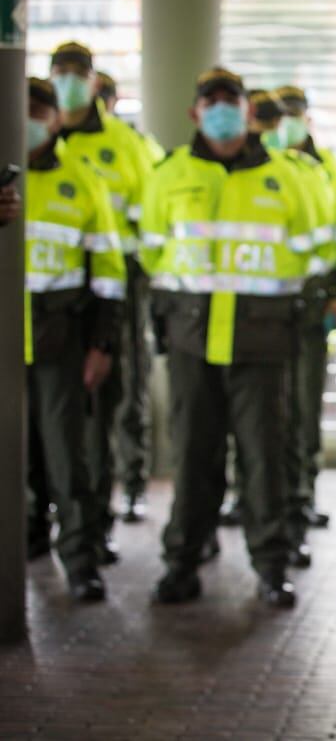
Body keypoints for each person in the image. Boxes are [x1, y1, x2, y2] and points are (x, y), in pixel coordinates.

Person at [141, 67, 320, 608]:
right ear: (195, 112)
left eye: (231, 100)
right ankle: (182, 563)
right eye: (210, 100)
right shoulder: (170, 174)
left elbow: (314, 254)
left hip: (262, 340)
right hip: (192, 339)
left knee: (264, 458)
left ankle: (271, 568)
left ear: (247, 111)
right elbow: (151, 252)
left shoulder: (286, 176)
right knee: (193, 456)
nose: (221, 108)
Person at [23, 76, 126, 601]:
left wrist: (101, 345)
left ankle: (80, 560)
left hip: (59, 338)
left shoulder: (82, 180)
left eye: (37, 111)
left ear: (55, 119)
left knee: (68, 456)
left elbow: (108, 275)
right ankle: (27, 537)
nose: (27, 119)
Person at [50, 41, 155, 549]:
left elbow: (149, 222)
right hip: (53, 293)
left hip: (117, 287)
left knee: (117, 392)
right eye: (60, 72)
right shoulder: (39, 136)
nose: (69, 81)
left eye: (78, 72)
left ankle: (114, 500)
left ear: (93, 81)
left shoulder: (126, 144)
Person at [275, 84, 336, 530]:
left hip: (311, 306)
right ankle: (256, 497)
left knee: (305, 406)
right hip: (265, 312)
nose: (285, 122)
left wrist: (335, 295)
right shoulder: (260, 167)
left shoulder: (329, 170)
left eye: (293, 113)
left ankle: (303, 494)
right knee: (267, 413)